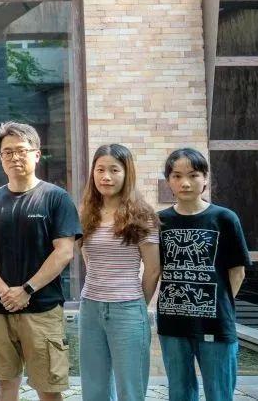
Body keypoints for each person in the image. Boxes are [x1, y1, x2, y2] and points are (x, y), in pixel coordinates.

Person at [0, 121, 82, 401]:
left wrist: (27, 289)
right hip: (0, 308)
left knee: (49, 389)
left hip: (43, 309)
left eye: (21, 150)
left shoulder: (56, 198)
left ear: (36, 154)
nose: (14, 157)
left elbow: (64, 252)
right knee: (6, 386)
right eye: (7, 152)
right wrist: (4, 292)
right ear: (0, 158)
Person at [156, 148, 251, 401]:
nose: (185, 183)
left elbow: (237, 272)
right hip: (172, 323)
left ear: (205, 178)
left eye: (193, 175)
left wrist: (215, 304)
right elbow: (156, 268)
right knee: (179, 393)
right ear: (169, 181)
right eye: (177, 176)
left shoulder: (224, 218)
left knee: (219, 393)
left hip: (215, 323)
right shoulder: (159, 221)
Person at [77, 144, 160, 401]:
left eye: (114, 170)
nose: (106, 177)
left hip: (128, 309)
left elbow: (153, 270)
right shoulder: (86, 213)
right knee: (94, 389)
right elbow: (88, 259)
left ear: (127, 173)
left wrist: (136, 304)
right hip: (90, 308)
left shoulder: (142, 215)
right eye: (100, 169)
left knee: (130, 390)